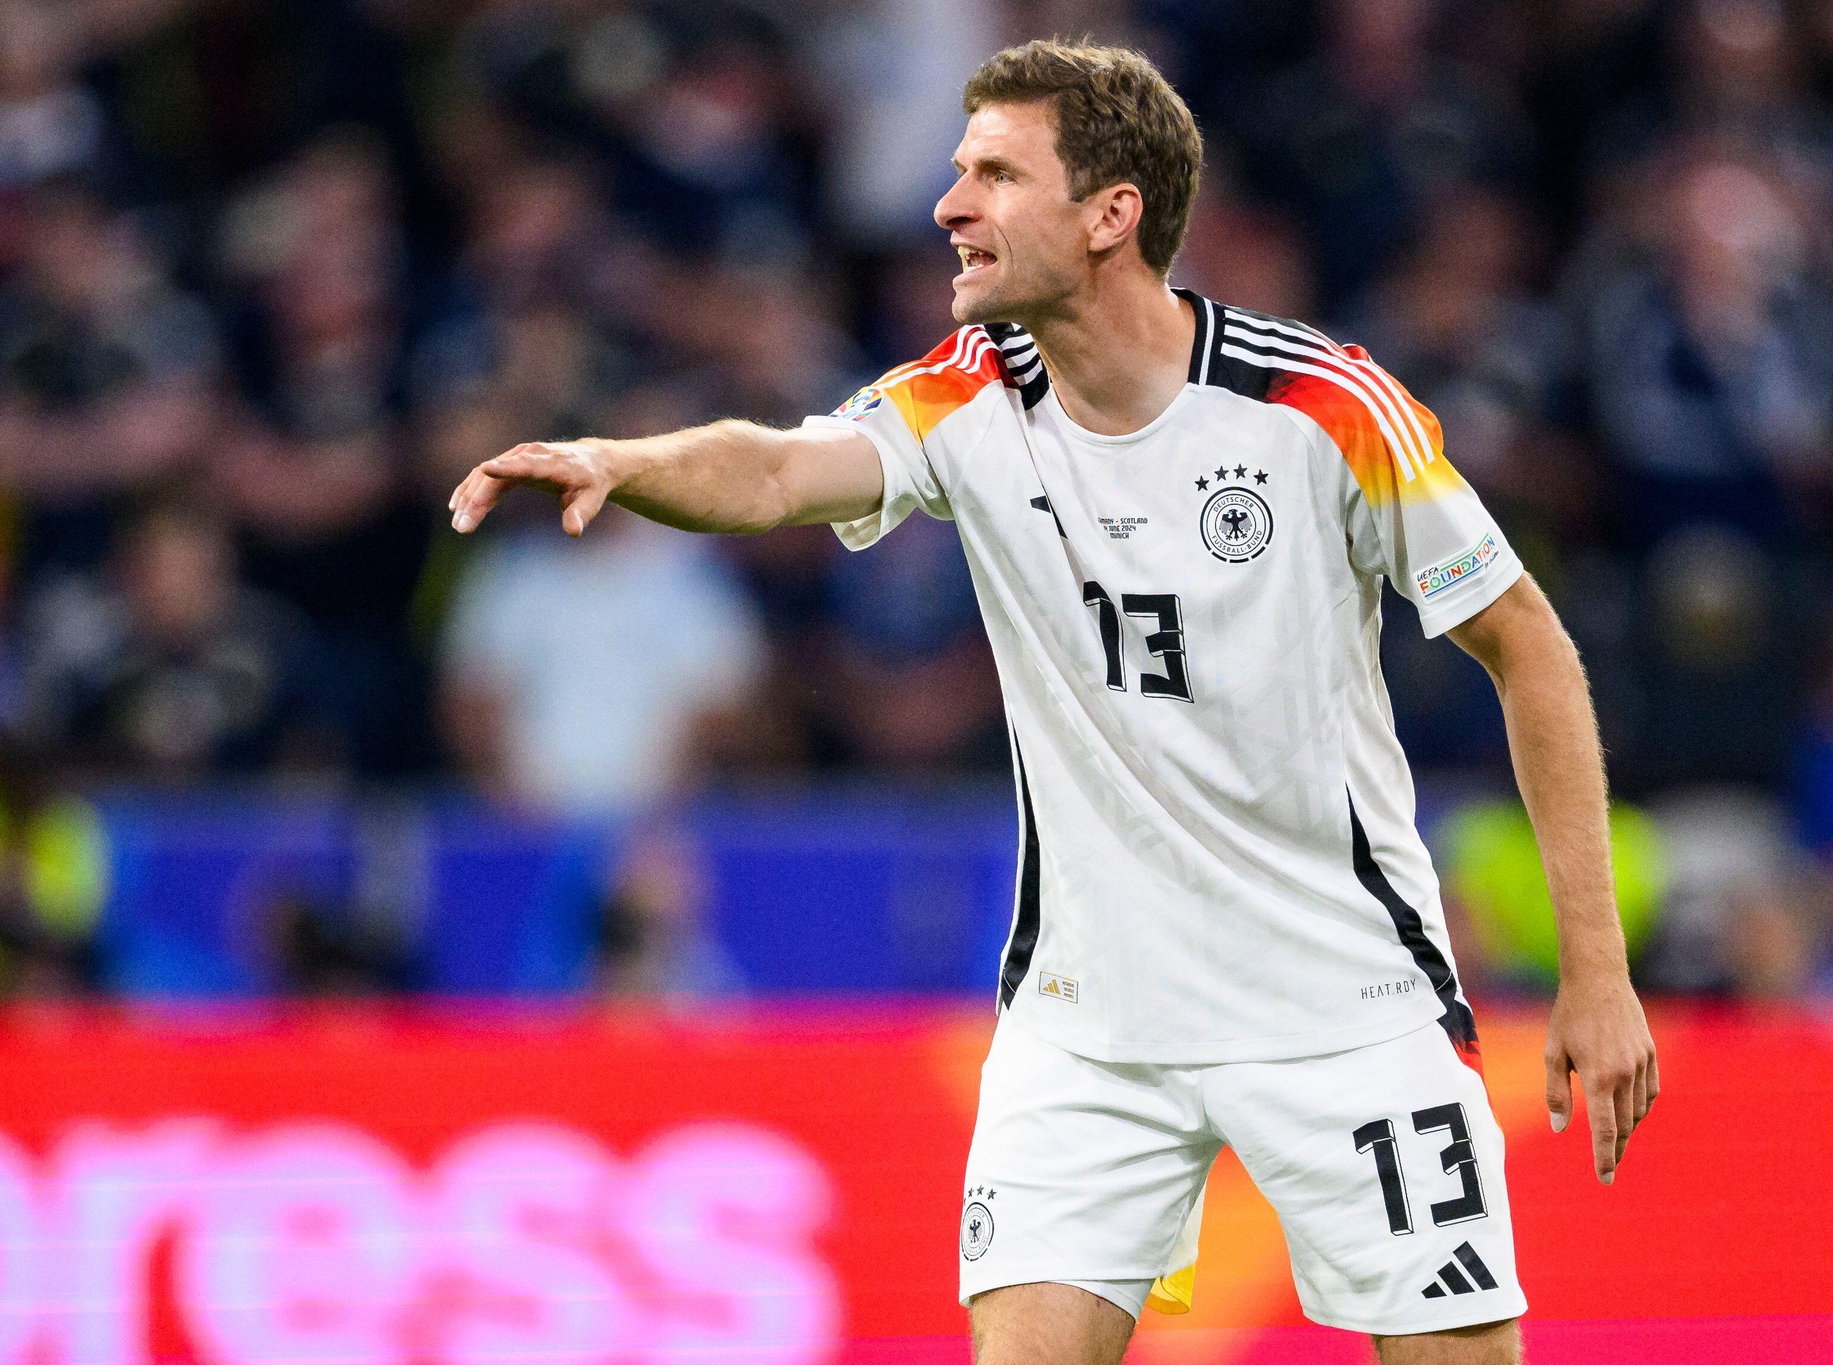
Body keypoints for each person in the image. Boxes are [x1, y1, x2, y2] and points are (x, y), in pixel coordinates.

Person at [448, 40, 1658, 1365]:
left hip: (1343, 1001)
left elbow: (1526, 643)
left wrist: (1594, 974)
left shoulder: (1323, 407)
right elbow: (783, 470)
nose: (947, 205)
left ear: (1109, 215)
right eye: (959, 170)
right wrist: (626, 460)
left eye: (993, 174)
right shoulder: (970, 390)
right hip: (1090, 1020)